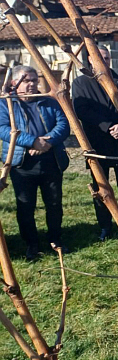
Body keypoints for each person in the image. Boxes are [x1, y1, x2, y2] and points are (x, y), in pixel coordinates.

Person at [72, 44, 118, 241]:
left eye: (107, 58)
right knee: (102, 189)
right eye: (100, 58)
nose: (104, 61)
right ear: (90, 60)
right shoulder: (81, 83)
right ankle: (105, 226)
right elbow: (82, 110)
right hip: (98, 144)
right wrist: (108, 126)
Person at [0, 65, 70, 260]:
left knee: (54, 203)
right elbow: (3, 129)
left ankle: (55, 239)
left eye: (34, 80)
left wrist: (46, 141)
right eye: (26, 80)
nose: (32, 84)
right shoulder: (6, 104)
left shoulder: (48, 101)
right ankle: (31, 244)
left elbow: (63, 125)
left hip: (51, 161)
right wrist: (31, 141)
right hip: (21, 165)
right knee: (25, 205)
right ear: (14, 83)